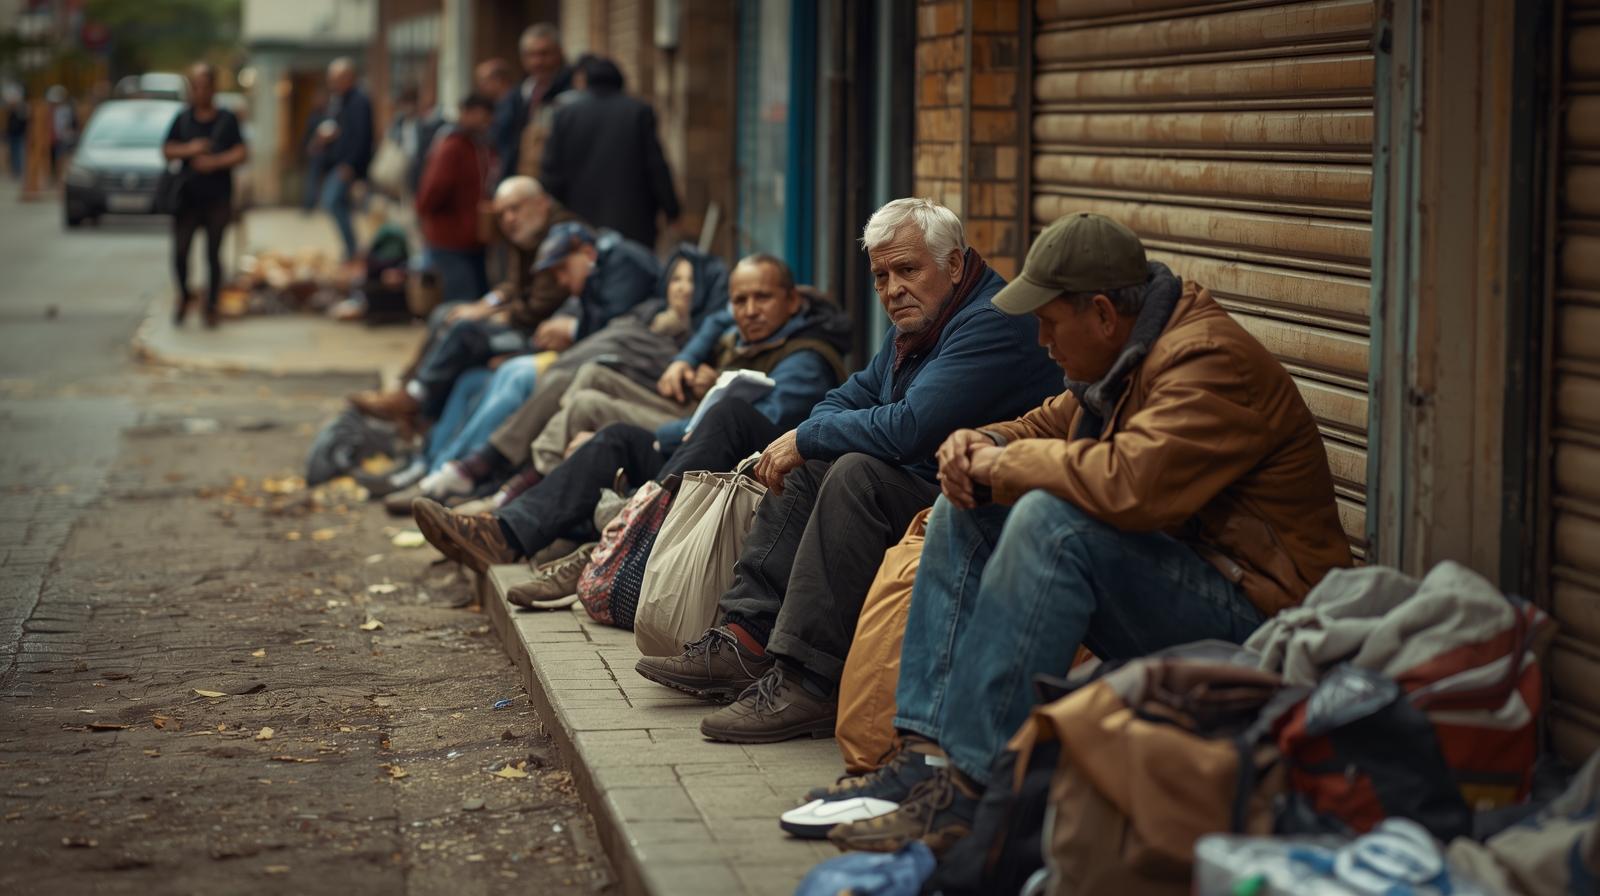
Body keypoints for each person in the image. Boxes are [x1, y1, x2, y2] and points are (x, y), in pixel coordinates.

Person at [801, 212, 1355, 854]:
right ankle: (928, 762)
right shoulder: (1126, 354)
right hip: (1187, 586)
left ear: (1100, 313)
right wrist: (981, 442)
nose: (1040, 340)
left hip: (1258, 618)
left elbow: (1129, 483)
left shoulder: (1206, 361)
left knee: (1048, 523)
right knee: (967, 505)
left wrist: (1002, 464)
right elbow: (1043, 423)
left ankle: (977, 788)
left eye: (1048, 321)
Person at [629, 198, 1064, 743]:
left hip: (983, 501)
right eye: (881, 276)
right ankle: (747, 639)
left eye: (908, 270)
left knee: (853, 470)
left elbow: (907, 427)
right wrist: (811, 438)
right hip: (933, 482)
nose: (892, 289)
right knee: (819, 461)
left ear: (953, 266)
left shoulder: (990, 322)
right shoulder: (920, 321)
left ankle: (810, 681)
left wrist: (810, 436)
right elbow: (847, 396)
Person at [406, 253, 851, 579]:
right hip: (695, 459)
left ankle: (598, 546)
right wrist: (691, 367)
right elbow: (718, 327)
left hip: (734, 483)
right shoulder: (755, 334)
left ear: (792, 302)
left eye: (762, 299)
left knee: (646, 426)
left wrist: (664, 435)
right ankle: (505, 534)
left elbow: (740, 433)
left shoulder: (805, 361)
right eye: (740, 300)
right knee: (614, 438)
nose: (749, 311)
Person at [391, 244, 730, 509]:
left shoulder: (705, 334)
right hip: (589, 368)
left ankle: (495, 480)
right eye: (676, 279)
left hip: (666, 409)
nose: (682, 289)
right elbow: (604, 335)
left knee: (556, 387)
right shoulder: (650, 312)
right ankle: (449, 467)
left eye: (691, 281)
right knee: (496, 378)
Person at [348, 220, 657, 435]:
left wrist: (511, 317)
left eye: (515, 210)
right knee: (451, 321)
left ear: (586, 253)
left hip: (550, 340)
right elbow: (521, 290)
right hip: (539, 333)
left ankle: (427, 421)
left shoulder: (613, 260)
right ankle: (418, 413)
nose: (508, 219)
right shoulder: (544, 245)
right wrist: (493, 303)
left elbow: (596, 324)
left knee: (470, 337)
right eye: (504, 212)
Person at [540, 56, 679, 249]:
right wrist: (671, 210)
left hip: (580, 222)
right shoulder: (638, 111)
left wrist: (559, 212)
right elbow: (656, 166)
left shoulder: (566, 114)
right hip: (632, 222)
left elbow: (551, 171)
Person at [161, 63, 247, 329]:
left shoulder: (226, 119)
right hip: (187, 198)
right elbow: (167, 150)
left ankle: (211, 305)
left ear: (212, 88)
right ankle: (185, 296)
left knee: (213, 254)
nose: (199, 92)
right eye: (195, 87)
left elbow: (242, 152)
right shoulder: (183, 118)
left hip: (217, 197)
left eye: (204, 86)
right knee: (181, 252)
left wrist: (216, 162)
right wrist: (191, 149)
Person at [415, 92, 497, 303]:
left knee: (477, 299)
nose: (486, 121)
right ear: (466, 113)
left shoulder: (479, 145)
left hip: (473, 239)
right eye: (482, 115)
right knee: (461, 300)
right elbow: (432, 192)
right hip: (450, 240)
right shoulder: (452, 146)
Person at [311, 58, 374, 260]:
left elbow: (362, 136)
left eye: (335, 78)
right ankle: (351, 248)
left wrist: (350, 163)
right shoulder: (340, 101)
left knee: (332, 202)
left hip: (346, 165)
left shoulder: (359, 101)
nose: (332, 83)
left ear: (348, 77)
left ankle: (352, 248)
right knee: (339, 204)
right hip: (337, 162)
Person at [495, 23, 572, 183]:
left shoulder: (571, 94)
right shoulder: (516, 97)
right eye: (531, 55)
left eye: (544, 54)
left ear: (559, 53)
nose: (538, 62)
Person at [4, 86, 27, 180]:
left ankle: (19, 171)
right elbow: (7, 123)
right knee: (13, 154)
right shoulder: (9, 111)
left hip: (19, 134)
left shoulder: (21, 109)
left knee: (19, 153)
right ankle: (15, 171)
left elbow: (24, 121)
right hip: (12, 135)